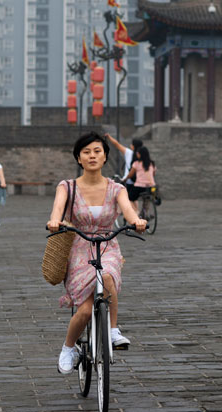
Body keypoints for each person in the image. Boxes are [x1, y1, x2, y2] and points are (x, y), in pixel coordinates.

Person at [47, 131, 147, 375]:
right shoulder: (67, 187)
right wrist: (54, 221)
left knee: (109, 275)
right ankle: (68, 348)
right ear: (79, 158)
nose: (92, 156)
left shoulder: (116, 189)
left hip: (107, 243)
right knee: (83, 312)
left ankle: (112, 330)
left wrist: (136, 220)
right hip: (79, 246)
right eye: (86, 152)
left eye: (97, 151)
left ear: (105, 157)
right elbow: (57, 211)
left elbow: (127, 211)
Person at [122, 146, 156, 212]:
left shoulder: (137, 164)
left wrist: (125, 179)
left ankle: (136, 213)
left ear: (140, 154)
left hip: (139, 186)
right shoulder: (152, 164)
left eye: (138, 153)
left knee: (130, 199)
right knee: (148, 198)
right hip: (152, 187)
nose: (137, 154)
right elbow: (153, 174)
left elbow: (130, 175)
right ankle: (145, 212)